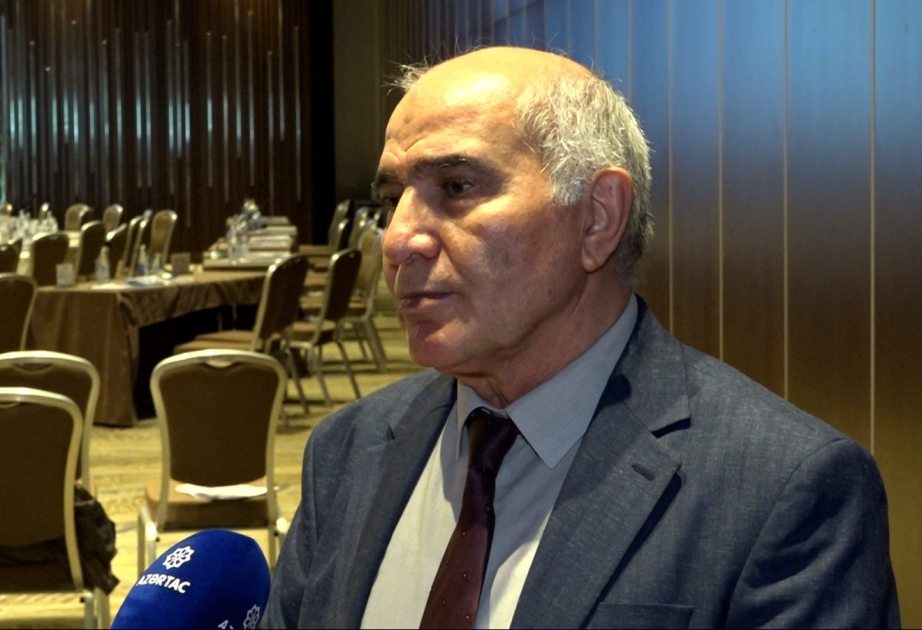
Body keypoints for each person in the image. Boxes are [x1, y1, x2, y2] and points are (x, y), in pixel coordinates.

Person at [263, 46, 899, 629]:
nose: (399, 240)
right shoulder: (346, 450)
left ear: (597, 218)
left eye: (456, 188)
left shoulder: (783, 490)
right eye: (392, 199)